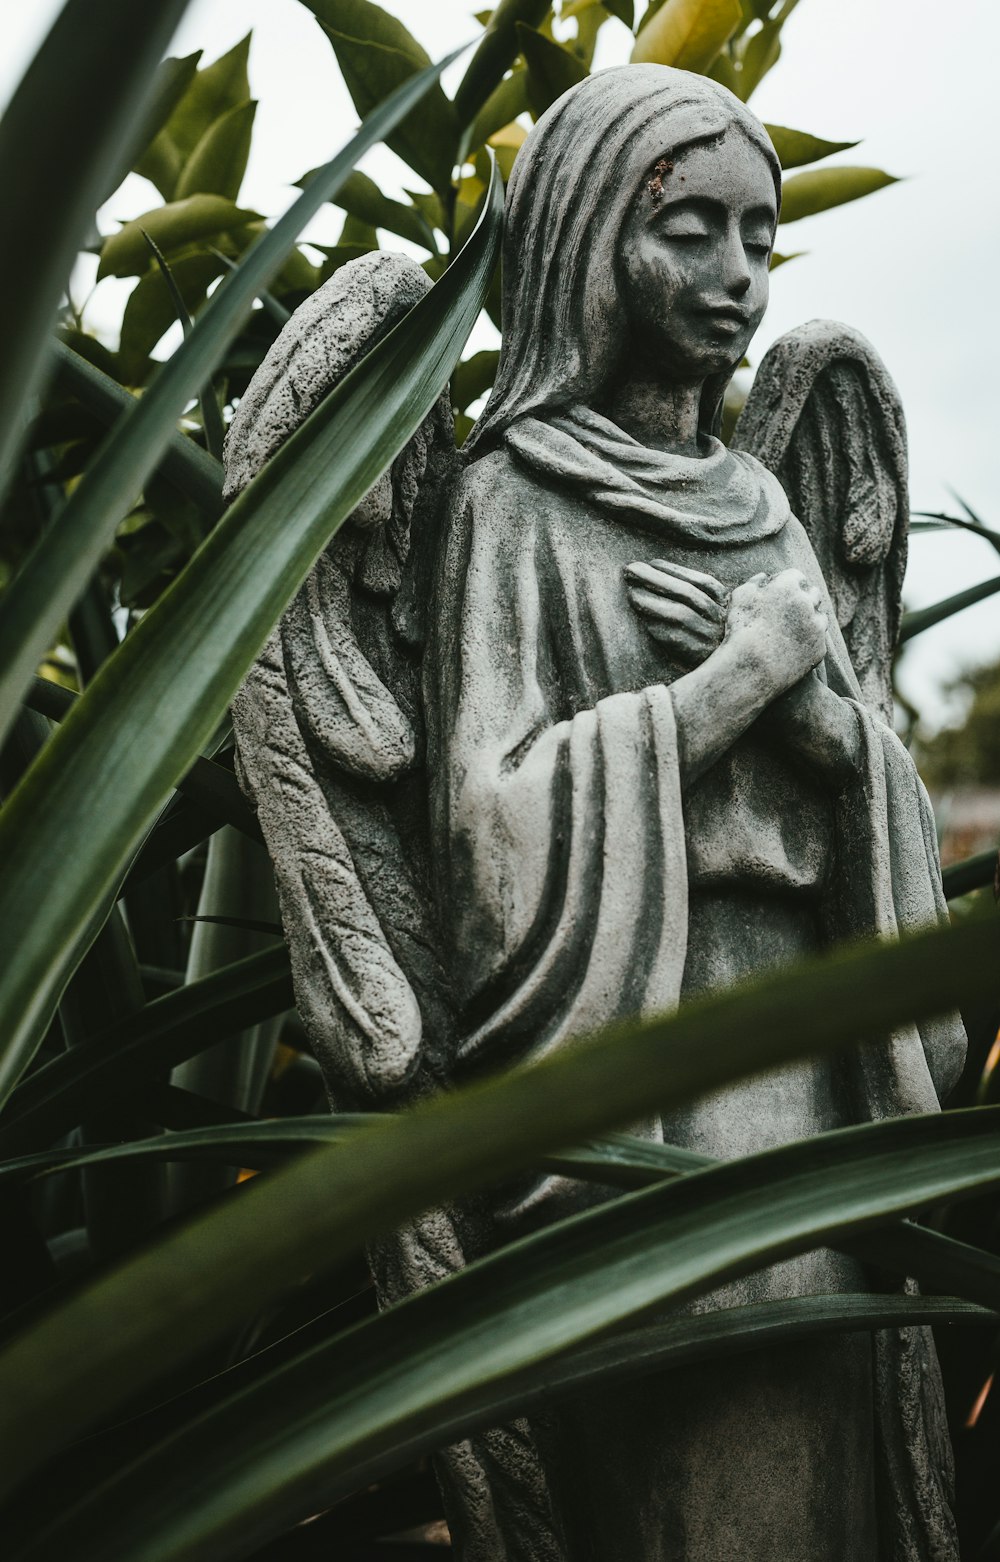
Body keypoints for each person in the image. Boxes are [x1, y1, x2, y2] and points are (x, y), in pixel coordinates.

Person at [422, 65, 965, 1559]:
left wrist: (815, 720)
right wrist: (731, 690)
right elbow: (488, 833)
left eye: (760, 237)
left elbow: (871, 771)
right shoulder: (509, 505)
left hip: (809, 1088)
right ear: (594, 237)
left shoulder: (765, 502)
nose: (736, 277)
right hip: (648, 1118)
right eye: (692, 232)